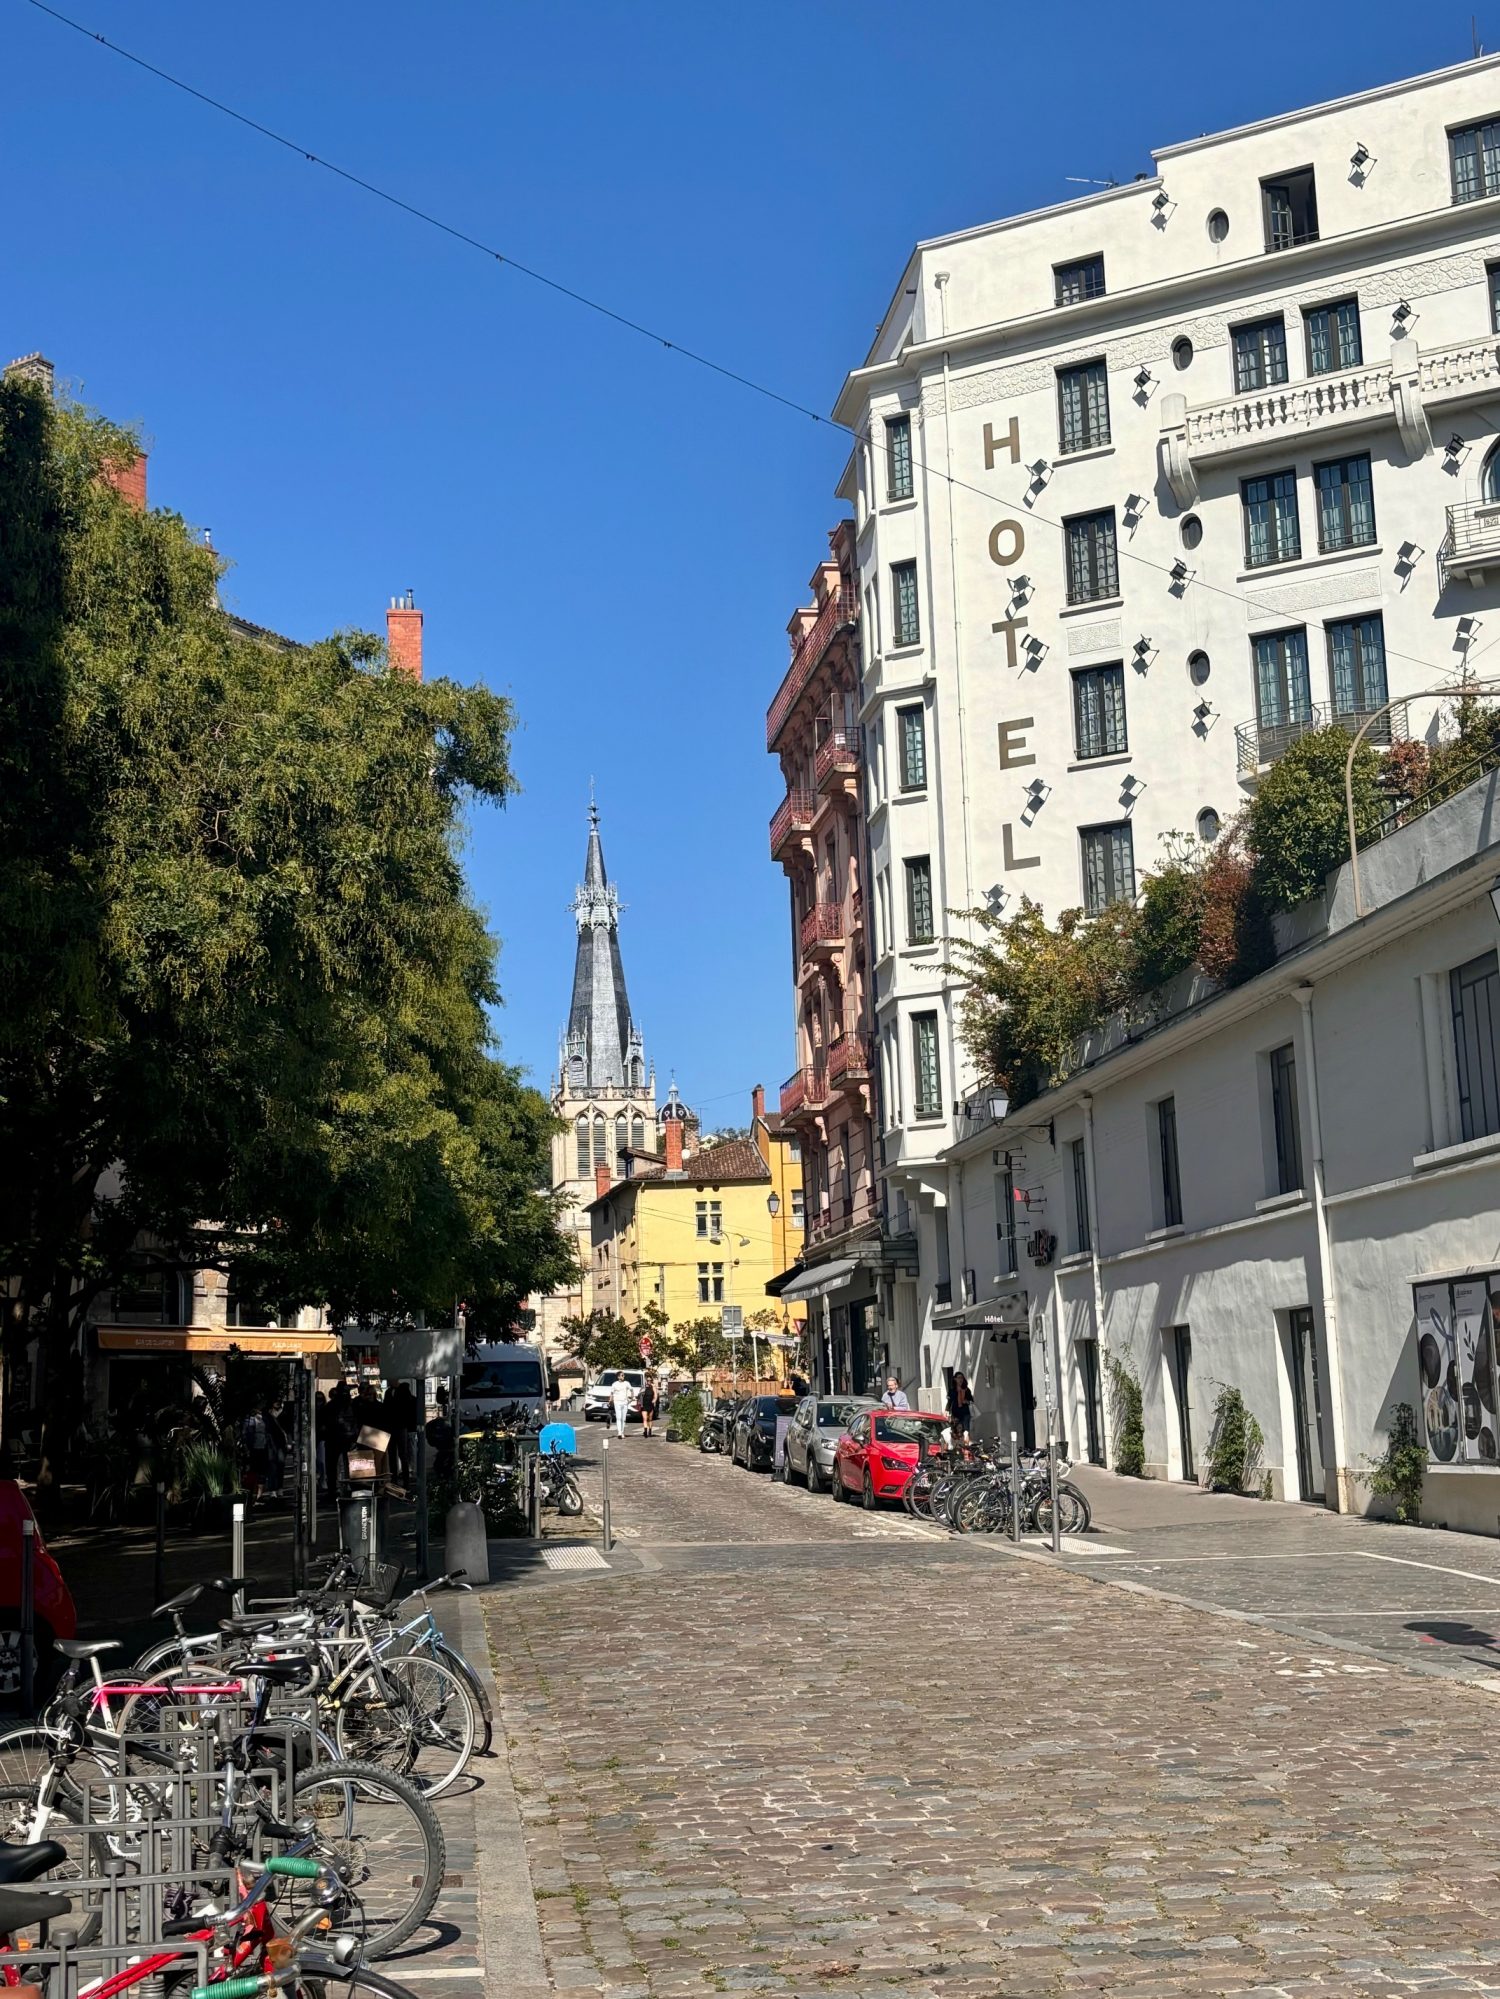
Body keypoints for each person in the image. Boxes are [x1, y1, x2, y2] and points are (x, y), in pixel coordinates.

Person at [241, 1402, 270, 1499]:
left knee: (261, 1471)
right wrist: (246, 1447)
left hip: (262, 1447)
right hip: (253, 1448)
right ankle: (252, 1494)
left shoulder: (264, 1418)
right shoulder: (249, 1419)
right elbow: (245, 1434)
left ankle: (259, 1494)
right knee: (253, 1471)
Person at [948, 1370, 974, 1439]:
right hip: (956, 1413)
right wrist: (948, 1412)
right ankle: (958, 1444)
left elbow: (971, 1400)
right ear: (955, 1379)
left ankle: (966, 1443)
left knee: (966, 1431)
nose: (960, 1379)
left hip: (965, 1413)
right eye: (959, 1378)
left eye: (962, 1378)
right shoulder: (952, 1390)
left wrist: (967, 1401)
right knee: (956, 1431)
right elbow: (950, 1401)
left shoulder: (966, 1390)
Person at [608, 1372, 633, 1439]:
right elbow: (611, 1393)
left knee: (623, 1418)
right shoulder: (614, 1384)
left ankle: (622, 1432)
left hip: (625, 1402)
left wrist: (631, 1398)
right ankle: (619, 1432)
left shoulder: (627, 1383)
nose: (623, 1376)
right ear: (618, 1377)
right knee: (618, 1417)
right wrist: (610, 1400)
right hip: (617, 1402)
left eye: (623, 1375)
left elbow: (631, 1390)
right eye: (622, 1375)